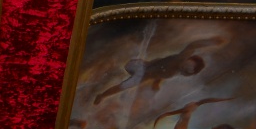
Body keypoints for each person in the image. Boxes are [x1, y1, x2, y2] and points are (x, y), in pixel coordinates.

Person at [93, 36, 224, 104]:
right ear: (188, 59)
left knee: (124, 86)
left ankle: (102, 95)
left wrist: (157, 83)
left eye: (187, 70)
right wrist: (211, 42)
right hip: (140, 66)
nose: (184, 67)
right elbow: (193, 45)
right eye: (186, 65)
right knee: (126, 69)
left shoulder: (176, 72)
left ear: (188, 73)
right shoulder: (180, 58)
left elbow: (162, 74)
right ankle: (108, 75)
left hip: (142, 76)